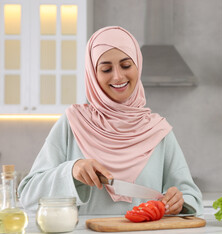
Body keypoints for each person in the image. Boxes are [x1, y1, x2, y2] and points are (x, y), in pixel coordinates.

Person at [18, 26, 203, 216]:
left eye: (126, 65)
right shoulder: (72, 122)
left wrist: (179, 201)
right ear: (93, 74)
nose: (118, 76)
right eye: (106, 69)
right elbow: (29, 195)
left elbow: (191, 196)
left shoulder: (158, 131)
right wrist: (71, 171)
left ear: (137, 66)